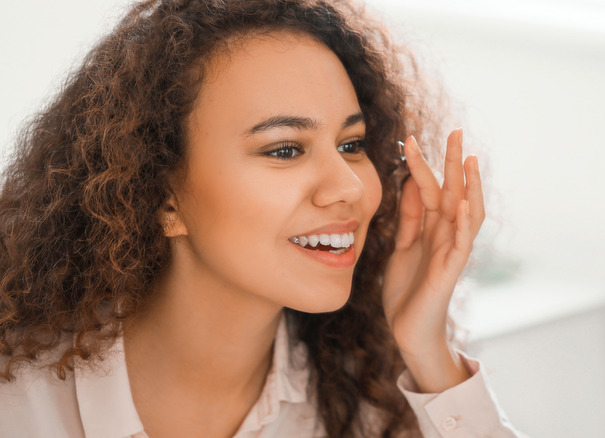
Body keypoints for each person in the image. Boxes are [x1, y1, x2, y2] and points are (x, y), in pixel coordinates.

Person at [0, 0, 523, 436]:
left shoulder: (365, 396)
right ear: (162, 198)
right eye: (284, 150)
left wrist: (427, 350)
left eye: (352, 144)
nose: (350, 187)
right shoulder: (19, 399)